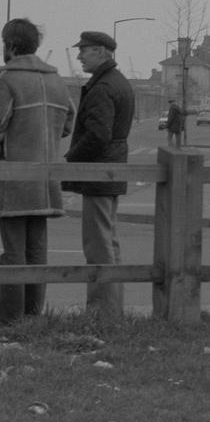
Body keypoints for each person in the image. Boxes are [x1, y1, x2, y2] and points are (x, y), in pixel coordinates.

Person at [0, 18, 74, 325]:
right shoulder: (56, 81)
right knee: (37, 251)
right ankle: (33, 316)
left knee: (13, 253)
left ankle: (9, 319)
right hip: (46, 180)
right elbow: (68, 123)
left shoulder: (5, 79)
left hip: (14, 179)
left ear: (10, 45)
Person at [63, 30, 135, 318]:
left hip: (99, 173)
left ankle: (101, 312)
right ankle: (111, 309)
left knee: (98, 245)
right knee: (108, 241)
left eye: (86, 49)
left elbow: (97, 136)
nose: (79, 55)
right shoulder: (118, 83)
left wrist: (71, 158)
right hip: (111, 169)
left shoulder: (103, 87)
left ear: (103, 51)